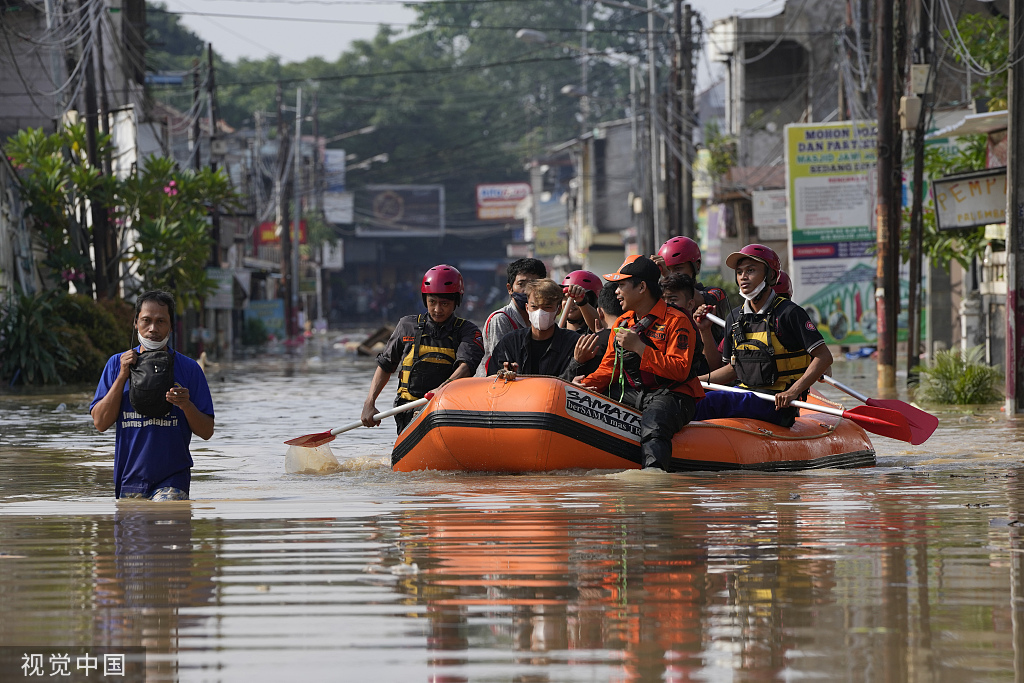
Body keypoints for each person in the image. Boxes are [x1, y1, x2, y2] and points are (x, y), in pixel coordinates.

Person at [574, 256, 704, 471]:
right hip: (635, 391)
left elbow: (680, 371)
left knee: (654, 423)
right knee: (587, 404)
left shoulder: (677, 321)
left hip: (673, 394)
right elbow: (609, 368)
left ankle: (653, 476)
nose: (616, 291)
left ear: (642, 287)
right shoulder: (623, 322)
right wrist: (584, 386)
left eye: (621, 285)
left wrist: (640, 348)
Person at [90, 291, 215, 501]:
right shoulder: (116, 364)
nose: (153, 329)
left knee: (167, 524)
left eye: (161, 322)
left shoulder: (190, 369)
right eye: (146, 321)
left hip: (173, 480)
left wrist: (186, 405)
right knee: (132, 532)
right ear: (135, 322)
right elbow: (100, 423)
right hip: (129, 479)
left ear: (171, 326)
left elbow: (207, 431)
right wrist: (122, 376)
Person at [694, 245, 832, 428]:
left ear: (770, 276)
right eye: (739, 272)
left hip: (777, 403)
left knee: (711, 403)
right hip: (747, 394)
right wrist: (695, 381)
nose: (743, 276)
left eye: (751, 270)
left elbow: (824, 357)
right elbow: (733, 369)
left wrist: (793, 391)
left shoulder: (789, 313)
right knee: (692, 398)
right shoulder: (735, 317)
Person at [362, 265, 483, 434]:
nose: (437, 309)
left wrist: (441, 390)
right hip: (408, 409)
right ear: (424, 299)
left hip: (447, 409)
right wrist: (369, 402)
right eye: (432, 302)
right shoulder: (407, 326)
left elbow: (466, 366)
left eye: (445, 304)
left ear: (457, 301)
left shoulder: (468, 332)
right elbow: (385, 365)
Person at [487, 278, 578, 377]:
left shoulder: (573, 343)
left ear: (558, 310)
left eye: (547, 307)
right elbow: (492, 382)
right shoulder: (510, 343)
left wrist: (577, 362)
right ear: (527, 308)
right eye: (534, 307)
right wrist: (506, 376)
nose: (540, 313)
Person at [476, 258, 547, 377]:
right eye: (521, 284)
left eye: (534, 284)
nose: (527, 290)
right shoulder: (501, 319)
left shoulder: (543, 317)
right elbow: (501, 364)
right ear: (510, 289)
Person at [652, 236, 731, 343]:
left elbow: (696, 298)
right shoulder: (661, 295)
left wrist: (668, 275)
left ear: (696, 265)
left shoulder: (715, 292)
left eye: (678, 269)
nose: (673, 274)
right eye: (669, 269)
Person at [560, 281, 624, 384]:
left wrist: (577, 363)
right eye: (566, 298)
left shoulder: (593, 343)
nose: (571, 303)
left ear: (598, 311)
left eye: (577, 300)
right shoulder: (639, 335)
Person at [660, 273, 715, 377]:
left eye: (673, 300)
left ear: (690, 304)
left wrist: (704, 330)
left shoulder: (699, 330)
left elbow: (713, 368)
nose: (666, 306)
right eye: (663, 300)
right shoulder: (655, 330)